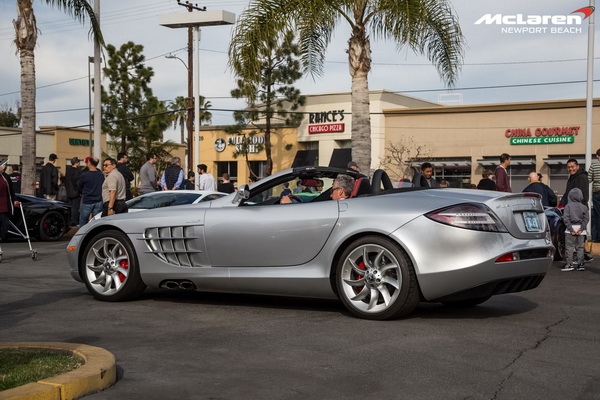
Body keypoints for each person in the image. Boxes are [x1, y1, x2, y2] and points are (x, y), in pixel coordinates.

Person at [561, 188, 589, 272]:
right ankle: (580, 264)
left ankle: (569, 264)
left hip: (570, 230)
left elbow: (565, 218)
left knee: (569, 247)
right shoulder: (584, 207)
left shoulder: (568, 206)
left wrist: (571, 229)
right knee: (580, 247)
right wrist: (581, 228)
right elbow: (586, 218)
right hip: (581, 230)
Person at [281, 174, 355, 204]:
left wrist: (290, 204)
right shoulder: (351, 204)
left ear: (340, 191)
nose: (330, 195)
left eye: (332, 190)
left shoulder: (335, 207)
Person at [0, 160, 19, 258]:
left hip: (5, 207)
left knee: (4, 228)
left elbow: (12, 191)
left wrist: (15, 200)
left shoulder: (6, 177)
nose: (5, 167)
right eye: (3, 165)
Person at [78, 157, 104, 227]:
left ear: (89, 163)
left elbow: (79, 186)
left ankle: (83, 235)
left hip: (87, 200)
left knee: (83, 221)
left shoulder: (84, 175)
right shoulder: (101, 175)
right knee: (96, 221)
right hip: (98, 200)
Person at [65, 157, 82, 226]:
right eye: (78, 162)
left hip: (69, 192)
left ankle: (69, 220)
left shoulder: (68, 170)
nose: (79, 164)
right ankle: (74, 221)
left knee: (70, 207)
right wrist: (80, 191)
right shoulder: (77, 172)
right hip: (76, 192)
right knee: (75, 207)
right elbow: (78, 183)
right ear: (76, 163)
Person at [588, 148, 600, 243]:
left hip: (597, 192)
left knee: (597, 215)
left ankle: (598, 237)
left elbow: (589, 179)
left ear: (597, 156)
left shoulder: (594, 166)